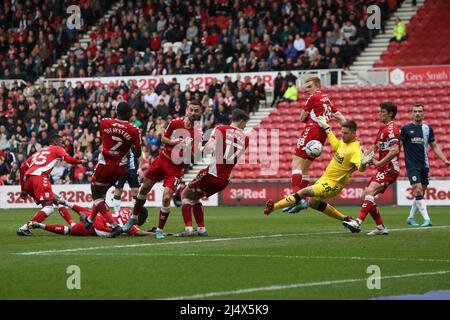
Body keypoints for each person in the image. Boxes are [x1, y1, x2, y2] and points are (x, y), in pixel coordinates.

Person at [265, 119, 371, 228]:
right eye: (342, 132)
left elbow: (361, 168)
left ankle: (274, 207)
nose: (343, 135)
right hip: (325, 179)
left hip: (334, 184)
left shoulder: (355, 150)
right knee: (312, 203)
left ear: (354, 133)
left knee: (304, 192)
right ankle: (346, 219)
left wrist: (363, 164)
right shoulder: (344, 143)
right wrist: (326, 127)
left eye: (346, 133)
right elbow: (335, 144)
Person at [122, 101, 203, 239]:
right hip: (162, 160)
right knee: (143, 190)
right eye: (192, 110)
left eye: (197, 111)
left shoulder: (198, 133)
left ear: (200, 113)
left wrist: (188, 148)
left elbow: (193, 158)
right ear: (187, 110)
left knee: (166, 198)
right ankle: (134, 217)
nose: (194, 113)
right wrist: (174, 142)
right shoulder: (175, 123)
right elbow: (163, 139)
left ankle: (159, 229)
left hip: (176, 168)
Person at [176, 109, 250, 237]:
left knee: (185, 195)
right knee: (195, 198)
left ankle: (188, 229)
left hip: (212, 173)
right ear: (242, 121)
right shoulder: (245, 138)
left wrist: (198, 148)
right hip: (224, 180)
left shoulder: (221, 129)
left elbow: (210, 147)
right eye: (245, 124)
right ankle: (201, 229)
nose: (245, 126)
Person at [286, 76, 345, 213]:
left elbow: (301, 117)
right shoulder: (328, 101)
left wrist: (307, 117)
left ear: (318, 86)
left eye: (310, 87)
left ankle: (296, 198)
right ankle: (302, 199)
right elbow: (342, 118)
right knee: (305, 168)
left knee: (296, 164)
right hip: (323, 134)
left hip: (311, 130)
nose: (307, 90)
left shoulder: (313, 98)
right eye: (306, 88)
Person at [82, 102, 141, 238]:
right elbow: (137, 152)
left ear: (115, 111)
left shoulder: (105, 122)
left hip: (105, 165)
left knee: (96, 194)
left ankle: (114, 226)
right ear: (129, 114)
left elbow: (103, 137)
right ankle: (90, 220)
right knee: (101, 194)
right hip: (120, 168)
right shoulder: (134, 130)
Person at [343, 102, 400, 235]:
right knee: (365, 196)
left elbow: (395, 150)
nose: (379, 114)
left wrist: (379, 162)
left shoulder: (391, 129)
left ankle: (357, 222)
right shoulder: (382, 130)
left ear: (390, 114)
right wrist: (361, 156)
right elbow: (374, 149)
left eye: (382, 112)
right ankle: (381, 227)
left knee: (370, 191)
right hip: (383, 169)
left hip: (389, 169)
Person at [17, 134, 86, 236]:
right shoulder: (56, 148)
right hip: (40, 176)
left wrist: (23, 189)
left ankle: (73, 225)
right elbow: (67, 159)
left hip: (28, 179)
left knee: (57, 200)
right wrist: (80, 161)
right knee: (49, 208)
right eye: (61, 141)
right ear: (55, 143)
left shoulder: (39, 151)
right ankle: (24, 228)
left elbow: (23, 167)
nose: (63, 144)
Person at [400, 104, 450, 227]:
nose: (417, 113)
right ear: (412, 113)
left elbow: (434, 146)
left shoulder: (427, 129)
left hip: (424, 164)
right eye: (415, 111)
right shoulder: (405, 129)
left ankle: (410, 217)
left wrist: (445, 160)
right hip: (412, 165)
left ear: (423, 113)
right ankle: (427, 219)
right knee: (417, 190)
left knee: (420, 192)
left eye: (420, 111)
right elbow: (398, 146)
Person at [28, 200, 153, 237]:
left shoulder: (126, 210)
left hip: (98, 218)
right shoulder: (131, 227)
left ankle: (63, 203)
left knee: (86, 211)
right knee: (71, 230)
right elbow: (139, 232)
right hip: (96, 229)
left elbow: (128, 219)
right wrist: (153, 233)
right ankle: (40, 225)